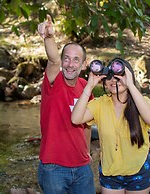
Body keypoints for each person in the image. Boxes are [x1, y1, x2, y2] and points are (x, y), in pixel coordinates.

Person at [71, 57, 150, 194]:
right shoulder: (100, 104)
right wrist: (89, 86)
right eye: (109, 77)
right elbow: (76, 119)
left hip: (138, 169)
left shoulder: (141, 102)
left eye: (119, 76)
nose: (113, 81)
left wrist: (131, 86)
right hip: (110, 171)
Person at [37, 15, 96, 194]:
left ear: (84, 65)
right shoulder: (54, 81)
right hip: (54, 167)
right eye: (67, 59)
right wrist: (49, 37)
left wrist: (86, 153)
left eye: (76, 59)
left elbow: (87, 125)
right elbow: (53, 60)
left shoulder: (86, 87)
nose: (70, 64)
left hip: (82, 167)